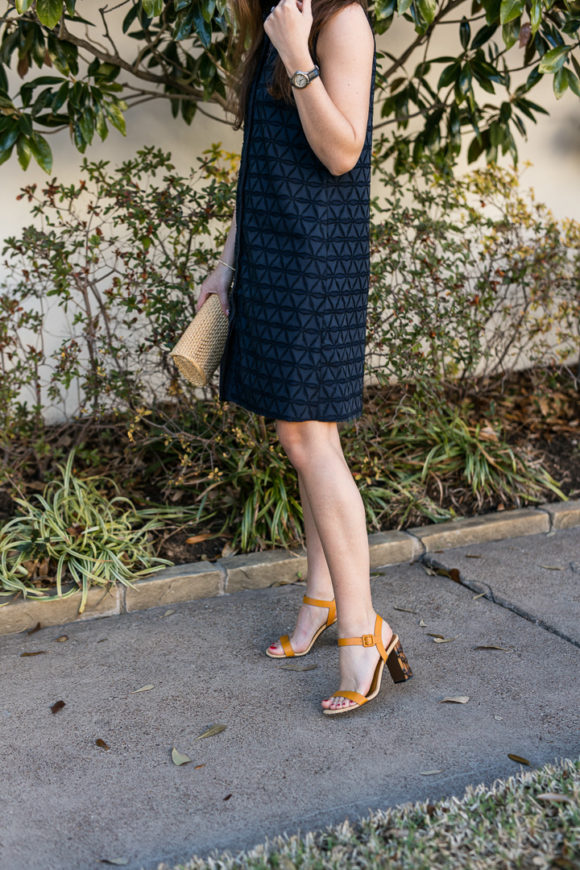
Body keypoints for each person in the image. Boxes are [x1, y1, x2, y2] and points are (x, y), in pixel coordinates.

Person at [195, 0, 413, 714]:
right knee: (307, 441)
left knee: (308, 437)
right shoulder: (273, 21)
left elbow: (342, 150)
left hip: (317, 262)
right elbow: (259, 167)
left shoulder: (339, 23)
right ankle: (321, 598)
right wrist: (228, 265)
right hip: (271, 258)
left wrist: (298, 53)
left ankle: (362, 629)